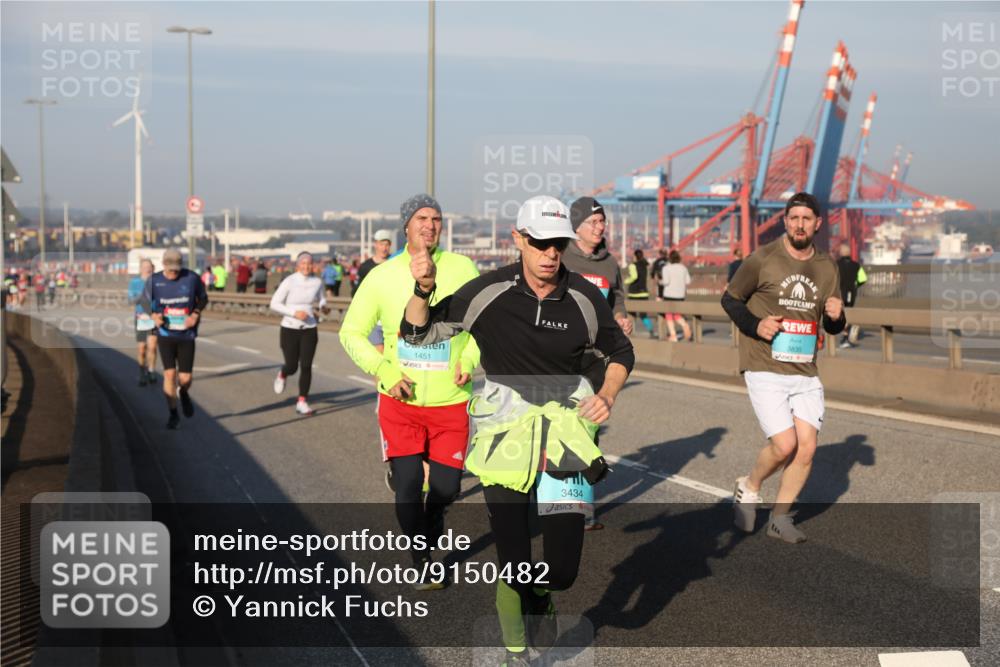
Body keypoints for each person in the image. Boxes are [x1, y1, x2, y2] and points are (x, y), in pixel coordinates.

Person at [401, 195, 634, 662]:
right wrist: (423, 290)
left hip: (565, 436)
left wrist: (606, 394)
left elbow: (621, 352)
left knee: (563, 569)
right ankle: (514, 651)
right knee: (513, 559)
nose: (550, 253)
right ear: (519, 240)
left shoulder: (584, 296)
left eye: (558, 244)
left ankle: (542, 596)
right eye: (540, 243)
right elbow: (418, 334)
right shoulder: (488, 291)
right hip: (504, 436)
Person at [339, 193, 481, 589]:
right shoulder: (382, 275)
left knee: (446, 488)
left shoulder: (463, 268)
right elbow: (350, 333)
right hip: (400, 401)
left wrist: (466, 362)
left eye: (436, 218)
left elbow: (482, 327)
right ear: (406, 226)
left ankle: (433, 519)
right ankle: (422, 560)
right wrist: (384, 370)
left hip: (451, 403)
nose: (430, 225)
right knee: (406, 486)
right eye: (422, 217)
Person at [721, 191, 845, 543]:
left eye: (807, 219)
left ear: (817, 224)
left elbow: (831, 322)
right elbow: (730, 299)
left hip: (805, 371)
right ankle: (750, 485)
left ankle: (779, 519)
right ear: (785, 222)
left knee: (807, 447)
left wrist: (838, 317)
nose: (800, 224)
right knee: (784, 445)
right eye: (794, 218)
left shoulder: (826, 267)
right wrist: (755, 325)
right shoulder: (763, 259)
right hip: (764, 365)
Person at [143, 249, 209, 430]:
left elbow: (203, 299)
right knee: (169, 374)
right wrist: (154, 315)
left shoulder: (192, 278)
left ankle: (184, 393)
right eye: (170, 270)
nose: (173, 273)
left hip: (187, 335)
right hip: (165, 334)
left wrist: (195, 314)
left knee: (185, 379)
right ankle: (173, 414)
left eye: (176, 270)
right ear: (163, 265)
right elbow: (144, 301)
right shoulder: (154, 281)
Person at [562, 196, 632, 336]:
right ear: (577, 227)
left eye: (602, 221)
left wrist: (620, 318)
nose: (600, 227)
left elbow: (617, 298)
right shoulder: (559, 257)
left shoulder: (610, 263)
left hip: (598, 344)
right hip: (562, 341)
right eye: (593, 222)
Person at [270, 252, 326, 416]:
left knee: (307, 366)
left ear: (312, 265)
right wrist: (294, 313)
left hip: (309, 328)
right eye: (303, 263)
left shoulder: (317, 282)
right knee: (292, 365)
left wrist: (323, 306)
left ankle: (302, 401)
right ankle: (283, 373)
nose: (306, 266)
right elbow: (274, 303)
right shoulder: (290, 281)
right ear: (297, 265)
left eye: (309, 263)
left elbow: (321, 298)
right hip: (289, 328)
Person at [357, 229, 395, 353]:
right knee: (379, 355)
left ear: (390, 246)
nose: (384, 248)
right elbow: (358, 293)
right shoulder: (365, 267)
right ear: (375, 244)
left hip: (392, 319)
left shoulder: (395, 264)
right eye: (381, 244)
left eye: (386, 244)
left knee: (393, 358)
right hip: (373, 319)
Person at [127, 259, 159, 386]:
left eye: (149, 267)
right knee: (142, 349)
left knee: (152, 346)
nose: (147, 269)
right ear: (140, 269)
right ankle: (142, 373)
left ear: (153, 268)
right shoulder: (135, 282)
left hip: (154, 317)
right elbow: (130, 301)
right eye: (145, 267)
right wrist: (141, 296)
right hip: (141, 317)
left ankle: (151, 370)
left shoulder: (157, 282)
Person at [836, 244, 867, 348]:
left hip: (839, 293)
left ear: (841, 253)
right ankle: (849, 332)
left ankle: (845, 337)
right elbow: (863, 279)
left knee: (841, 315)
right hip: (851, 294)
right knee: (848, 312)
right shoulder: (856, 265)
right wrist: (856, 285)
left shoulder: (836, 265)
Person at [661, 250, 693, 342]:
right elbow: (688, 281)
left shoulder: (666, 268)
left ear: (669, 258)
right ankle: (685, 325)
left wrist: (660, 282)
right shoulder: (683, 268)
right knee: (677, 314)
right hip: (680, 295)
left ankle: (673, 335)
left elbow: (666, 282)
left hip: (669, 294)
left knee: (669, 315)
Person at [625, 248, 655, 338]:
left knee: (631, 314)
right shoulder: (645, 265)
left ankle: (630, 333)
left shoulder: (632, 265)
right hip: (644, 293)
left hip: (634, 293)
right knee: (643, 315)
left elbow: (634, 276)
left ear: (635, 256)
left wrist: (626, 281)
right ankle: (651, 330)